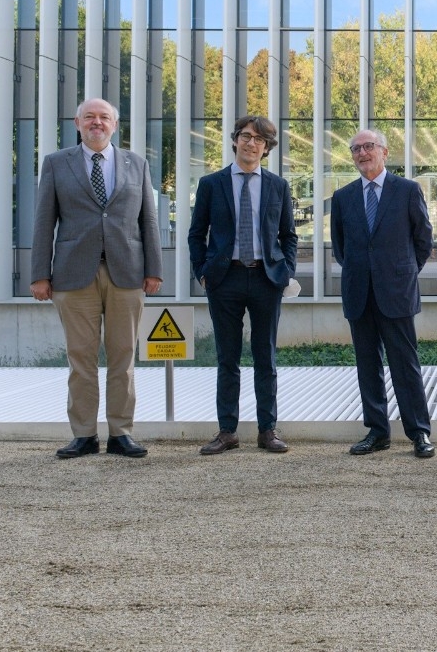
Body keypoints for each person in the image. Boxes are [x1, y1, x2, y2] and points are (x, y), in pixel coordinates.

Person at [31, 98, 162, 460]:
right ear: (77, 123)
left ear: (114, 125)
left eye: (104, 117)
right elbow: (44, 222)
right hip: (73, 276)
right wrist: (40, 275)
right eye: (89, 117)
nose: (97, 123)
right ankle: (84, 434)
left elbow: (148, 221)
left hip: (128, 273)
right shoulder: (57, 164)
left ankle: (121, 433)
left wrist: (154, 270)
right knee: (81, 358)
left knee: (124, 356)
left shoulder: (137, 163)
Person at [188, 116, 298, 456]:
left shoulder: (278, 186)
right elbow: (196, 234)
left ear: (266, 148)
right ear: (235, 140)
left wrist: (284, 272)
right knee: (228, 358)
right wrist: (203, 274)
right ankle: (227, 431)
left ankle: (268, 430)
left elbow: (288, 236)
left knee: (266, 356)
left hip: (266, 279)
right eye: (246, 136)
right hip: (225, 278)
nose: (251, 143)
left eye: (259, 140)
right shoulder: (212, 183)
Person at [330, 129, 436, 458]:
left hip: (397, 292)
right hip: (359, 292)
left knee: (405, 364)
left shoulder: (406, 190)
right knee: (367, 364)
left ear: (384, 152)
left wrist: (400, 272)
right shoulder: (343, 197)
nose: (362, 153)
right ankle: (377, 431)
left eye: (368, 146)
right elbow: (340, 248)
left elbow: (424, 240)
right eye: (356, 148)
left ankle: (419, 432)